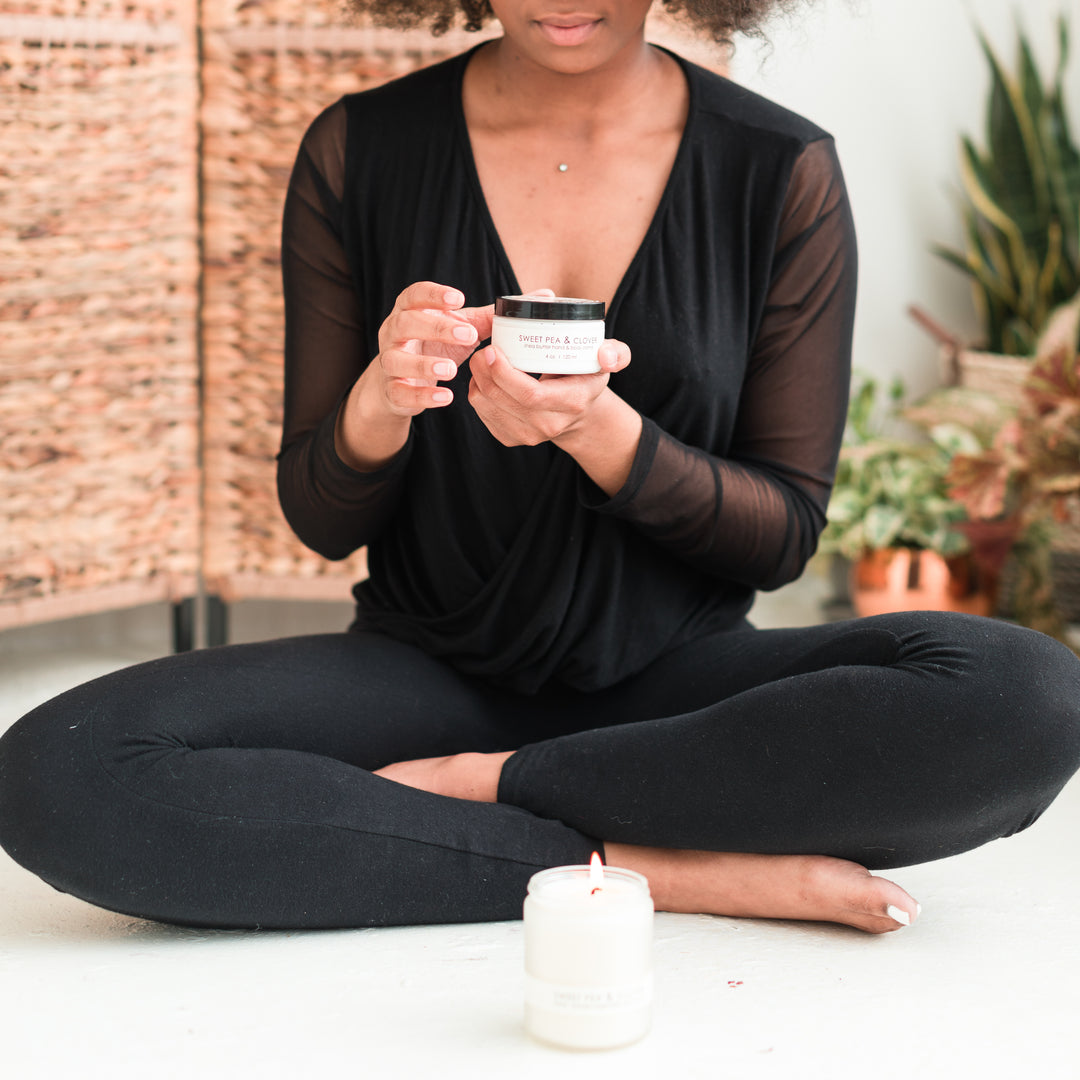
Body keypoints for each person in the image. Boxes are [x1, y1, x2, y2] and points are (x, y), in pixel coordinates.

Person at [2, 0, 1079, 935]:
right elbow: (321, 517)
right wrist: (379, 405)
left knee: (1033, 696)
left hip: (681, 695)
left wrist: (599, 432)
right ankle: (643, 867)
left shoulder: (777, 166)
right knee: (60, 772)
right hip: (424, 670)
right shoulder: (359, 147)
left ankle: (486, 803)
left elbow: (783, 533)